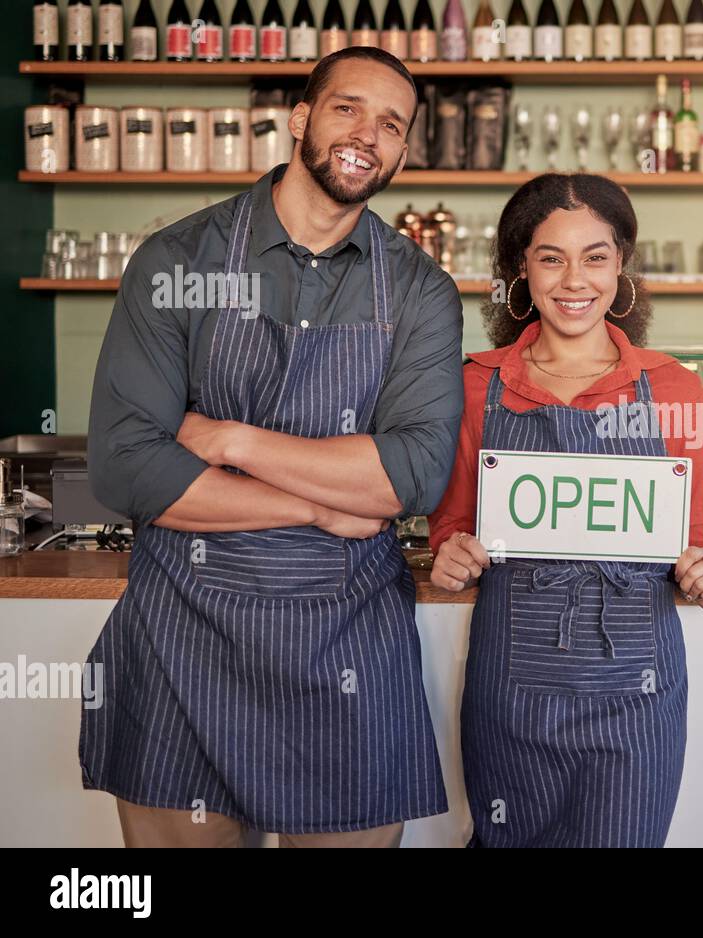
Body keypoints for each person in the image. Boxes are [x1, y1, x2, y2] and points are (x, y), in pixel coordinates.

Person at [81, 47, 464, 848]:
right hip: (182, 640)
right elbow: (125, 464)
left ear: (402, 151)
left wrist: (228, 439)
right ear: (300, 118)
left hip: (348, 646)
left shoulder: (420, 289)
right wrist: (318, 505)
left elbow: (412, 475)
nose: (368, 134)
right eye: (347, 108)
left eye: (391, 124)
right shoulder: (175, 262)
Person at [427, 173, 703, 847]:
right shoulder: (474, 386)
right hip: (510, 695)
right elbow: (453, 528)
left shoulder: (674, 387)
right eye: (551, 257)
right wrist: (451, 557)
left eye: (595, 257)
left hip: (638, 696)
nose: (575, 280)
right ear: (521, 268)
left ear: (621, 266)